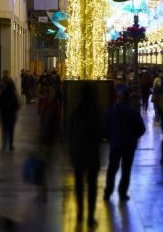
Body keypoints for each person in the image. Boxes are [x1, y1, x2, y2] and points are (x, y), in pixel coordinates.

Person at [68, 84, 103, 226]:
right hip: (92, 153)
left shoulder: (76, 111)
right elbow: (100, 133)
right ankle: (90, 217)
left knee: (79, 185)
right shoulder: (96, 111)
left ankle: (80, 213)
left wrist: (71, 150)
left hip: (78, 153)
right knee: (92, 186)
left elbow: (70, 132)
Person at [104, 89, 146, 201]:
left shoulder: (112, 112)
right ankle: (122, 193)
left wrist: (110, 137)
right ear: (129, 99)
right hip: (129, 145)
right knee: (126, 170)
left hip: (115, 144)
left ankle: (108, 192)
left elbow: (106, 127)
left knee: (112, 168)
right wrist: (134, 136)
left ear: (118, 99)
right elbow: (142, 129)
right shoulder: (134, 112)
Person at [0, 71, 20, 151]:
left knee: (4, 129)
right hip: (12, 115)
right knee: (11, 130)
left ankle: (4, 145)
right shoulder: (13, 95)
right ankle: (10, 145)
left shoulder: (2, 94)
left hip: (4, 114)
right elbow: (17, 106)